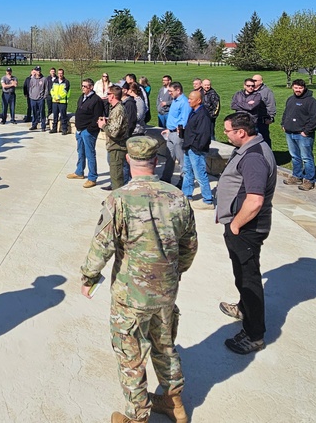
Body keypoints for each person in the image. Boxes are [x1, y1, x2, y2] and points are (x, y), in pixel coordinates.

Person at [80, 135, 198, 423]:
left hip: (131, 295)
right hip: (166, 291)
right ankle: (174, 403)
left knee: (130, 353)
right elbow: (190, 245)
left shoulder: (118, 199)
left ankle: (137, 415)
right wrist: (174, 272)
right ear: (156, 162)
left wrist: (89, 276)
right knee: (164, 344)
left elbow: (102, 245)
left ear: (130, 161)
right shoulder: (177, 197)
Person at [217, 112, 278, 354]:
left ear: (241, 132)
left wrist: (234, 226)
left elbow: (254, 201)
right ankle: (244, 308)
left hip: (246, 228)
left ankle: (254, 335)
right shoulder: (252, 148)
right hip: (243, 227)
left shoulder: (253, 158)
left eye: (228, 130)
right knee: (243, 273)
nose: (225, 134)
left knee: (248, 277)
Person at [281, 79, 316, 191]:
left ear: (304, 88)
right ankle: (297, 176)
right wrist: (284, 124)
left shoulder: (311, 101)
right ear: (292, 87)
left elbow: (315, 118)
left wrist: (306, 131)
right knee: (294, 156)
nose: (298, 90)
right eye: (296, 87)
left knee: (306, 158)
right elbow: (286, 113)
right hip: (290, 132)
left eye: (300, 88)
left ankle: (309, 180)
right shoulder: (290, 99)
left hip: (303, 135)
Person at [67, 78, 104, 189]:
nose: (83, 88)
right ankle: (79, 172)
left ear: (91, 87)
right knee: (80, 152)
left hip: (88, 132)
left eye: (85, 86)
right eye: (82, 86)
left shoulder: (96, 100)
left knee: (90, 154)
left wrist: (89, 130)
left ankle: (92, 178)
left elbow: (97, 117)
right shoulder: (82, 97)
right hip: (79, 130)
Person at [182, 91, 214, 208]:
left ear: (198, 101)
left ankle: (208, 199)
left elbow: (204, 135)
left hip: (196, 150)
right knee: (187, 172)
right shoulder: (194, 111)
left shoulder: (203, 115)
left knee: (200, 174)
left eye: (191, 99)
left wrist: (196, 148)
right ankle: (187, 195)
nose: (188, 100)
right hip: (189, 147)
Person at [98, 86, 130, 190]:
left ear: (112, 96)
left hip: (117, 147)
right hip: (114, 146)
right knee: (115, 175)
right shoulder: (115, 108)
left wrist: (102, 125)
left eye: (108, 94)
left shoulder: (118, 110)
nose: (106, 96)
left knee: (117, 178)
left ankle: (116, 203)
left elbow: (114, 132)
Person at [160, 82, 189, 185]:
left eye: (171, 91)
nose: (169, 93)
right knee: (169, 157)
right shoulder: (175, 101)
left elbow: (184, 119)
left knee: (181, 159)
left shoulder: (184, 102)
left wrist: (178, 130)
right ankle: (166, 178)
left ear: (178, 90)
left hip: (177, 135)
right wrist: (169, 129)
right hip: (170, 133)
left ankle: (183, 181)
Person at [251, 74, 277, 145]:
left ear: (261, 81)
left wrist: (271, 117)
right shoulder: (250, 90)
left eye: (255, 80)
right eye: (252, 80)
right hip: (252, 119)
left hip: (262, 119)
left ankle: (267, 154)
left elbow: (271, 105)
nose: (253, 82)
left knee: (264, 138)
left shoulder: (267, 91)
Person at [50, 69, 71, 134]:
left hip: (62, 102)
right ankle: (54, 128)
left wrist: (58, 97)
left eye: (61, 73)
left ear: (63, 74)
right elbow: (52, 90)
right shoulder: (55, 81)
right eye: (59, 73)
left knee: (63, 116)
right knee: (55, 115)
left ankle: (64, 129)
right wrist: (54, 96)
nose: (60, 75)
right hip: (55, 101)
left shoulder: (66, 82)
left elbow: (65, 92)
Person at [27, 67, 48, 131]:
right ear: (35, 71)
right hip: (33, 99)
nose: (38, 72)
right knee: (34, 112)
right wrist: (30, 95)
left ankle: (43, 126)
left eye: (39, 70)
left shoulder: (44, 79)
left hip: (40, 99)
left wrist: (44, 96)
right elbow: (30, 88)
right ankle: (34, 125)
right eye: (37, 70)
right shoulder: (32, 79)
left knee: (42, 112)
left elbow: (46, 88)